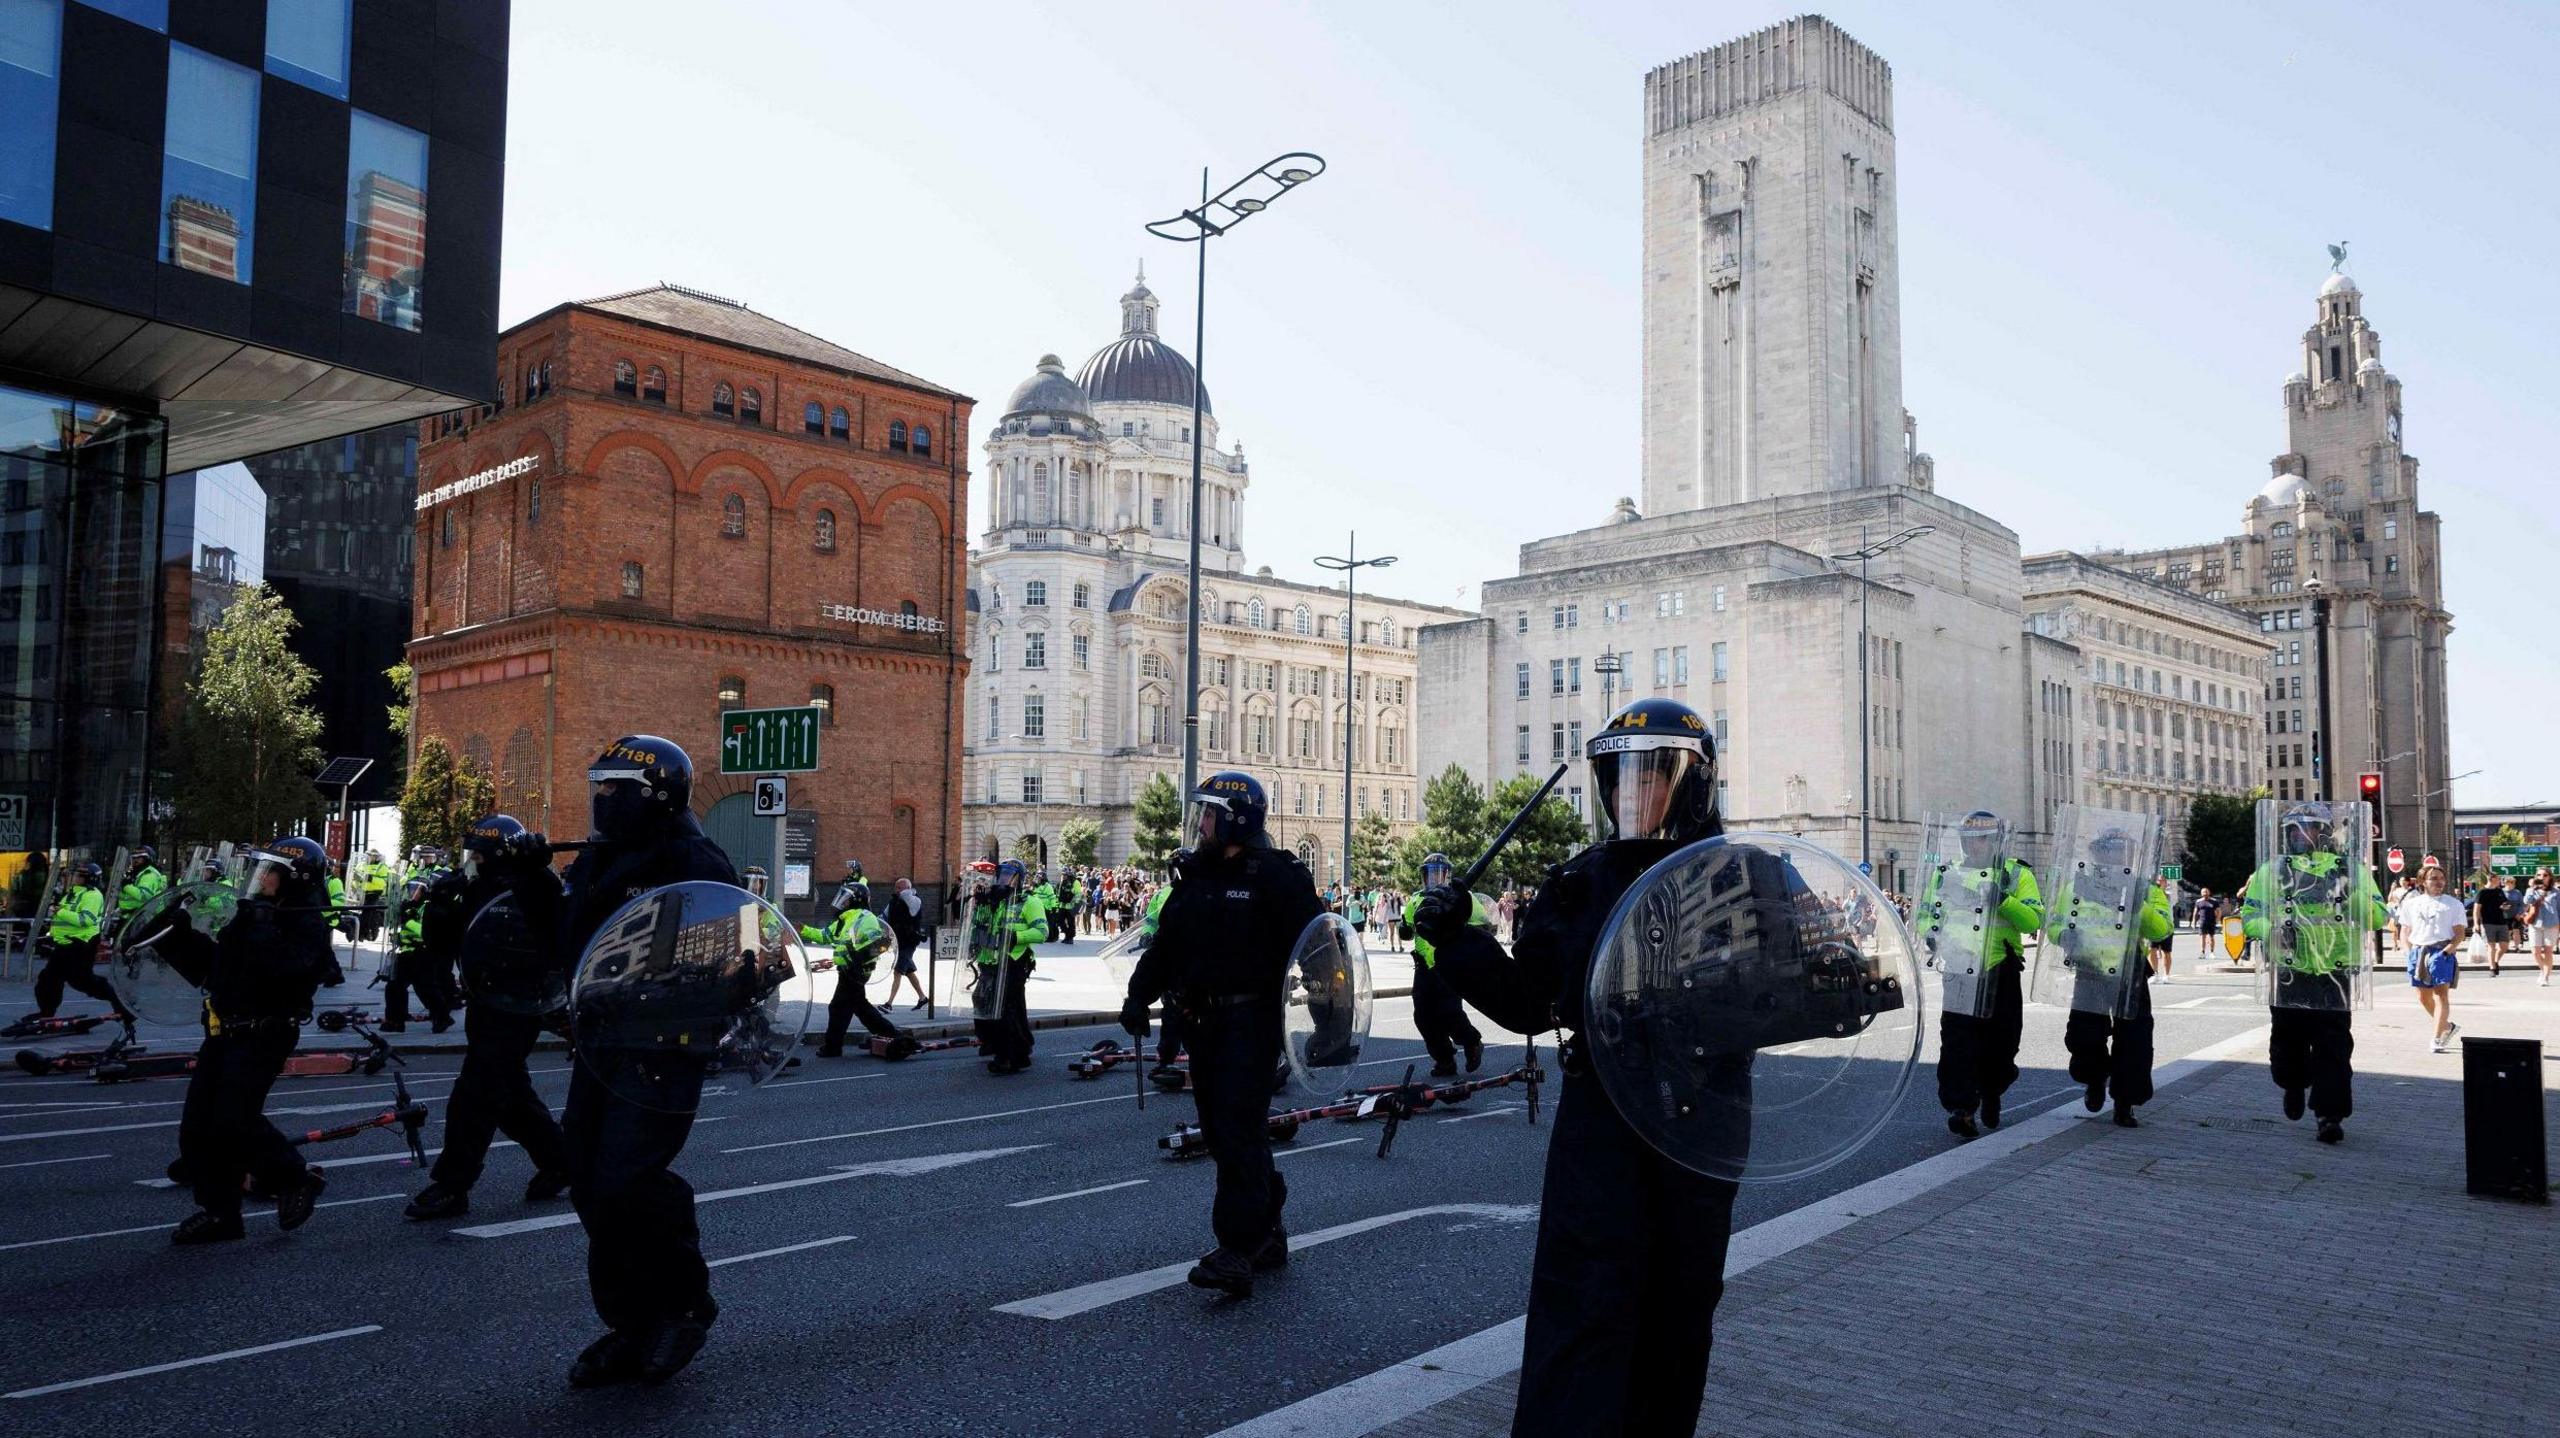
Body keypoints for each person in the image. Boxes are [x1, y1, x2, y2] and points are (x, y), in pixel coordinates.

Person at [1416, 697, 1736, 1434]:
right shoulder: (1579, 883)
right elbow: (1528, 1004)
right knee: (1582, 1296)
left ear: (1693, 784)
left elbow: (1814, 987)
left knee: (1680, 1306)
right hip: (1602, 1112)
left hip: (1702, 1118)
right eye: (1619, 775)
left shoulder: (1739, 875)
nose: (1634, 791)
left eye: (1654, 775)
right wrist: (1459, 940)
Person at [519, 735, 739, 1388]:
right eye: (601, 788)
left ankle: (684, 1304)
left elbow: (730, 958)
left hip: (663, 1051)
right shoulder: (597, 860)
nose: (603, 801)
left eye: (616, 790)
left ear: (657, 797)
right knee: (588, 1182)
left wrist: (677, 1000)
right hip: (602, 1043)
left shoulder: (694, 861)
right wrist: (528, 877)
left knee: (629, 1179)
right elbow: (563, 941)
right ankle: (631, 1321)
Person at [1120, 770, 1323, 1299]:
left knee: (1236, 1128)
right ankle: (1268, 1228)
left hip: (1252, 1022)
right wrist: (1138, 995)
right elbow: (1167, 945)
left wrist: (1330, 1025)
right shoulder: (1197, 877)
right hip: (1201, 1022)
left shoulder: (1278, 877)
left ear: (1235, 819)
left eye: (1208, 814)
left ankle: (1237, 1247)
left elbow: (1320, 948)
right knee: (1224, 1133)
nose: (1201, 824)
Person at [156, 838, 337, 1242]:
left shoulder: (306, 921)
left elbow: (290, 971)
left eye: (269, 870)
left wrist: (261, 926)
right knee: (199, 1125)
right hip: (224, 1029)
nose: (260, 877)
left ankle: (294, 1178)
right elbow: (217, 969)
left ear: (293, 877)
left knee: (233, 1121)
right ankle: (221, 1214)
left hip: (264, 1034)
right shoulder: (255, 913)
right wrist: (175, 936)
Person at [404, 814, 571, 1222]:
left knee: (475, 1096)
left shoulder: (533, 886)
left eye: (479, 854)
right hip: (486, 1002)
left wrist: (540, 872)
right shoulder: (479, 889)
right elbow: (443, 946)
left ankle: (452, 1185)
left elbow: (555, 927)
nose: (472, 861)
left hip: (517, 1006)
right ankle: (563, 1161)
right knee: (511, 1098)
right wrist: (441, 904)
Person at [2242, 804, 2388, 1144]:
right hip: (2290, 970)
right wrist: (2271, 929)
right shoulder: (2273, 870)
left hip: (2334, 974)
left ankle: (2329, 1115)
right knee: (2287, 1045)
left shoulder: (2348, 870)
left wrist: (2352, 896)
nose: (2298, 836)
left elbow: (2378, 917)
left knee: (2334, 1050)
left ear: (2323, 833)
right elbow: (2250, 915)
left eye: (2306, 828)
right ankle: (2293, 1084)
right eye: (2293, 830)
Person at [1918, 810, 2044, 1139]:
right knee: (1957, 1042)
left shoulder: (2016, 874)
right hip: (1959, 968)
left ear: (1996, 841)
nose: (1976, 846)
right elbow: (1927, 913)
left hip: (2000, 967)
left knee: (2002, 1043)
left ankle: (1992, 1091)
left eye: (1984, 839)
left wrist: (2002, 900)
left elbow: (2033, 921)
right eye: (1970, 840)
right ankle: (1963, 1109)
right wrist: (1930, 933)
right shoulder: (1945, 873)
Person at [2051, 827, 2173, 1127]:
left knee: (2135, 1041)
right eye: (2109, 850)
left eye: (2121, 851)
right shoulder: (2077, 886)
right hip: (2090, 969)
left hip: (2129, 971)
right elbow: (2054, 925)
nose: (2115, 856)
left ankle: (2125, 1102)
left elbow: (2162, 929)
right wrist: (2064, 934)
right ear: (2097, 854)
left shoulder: (2145, 888)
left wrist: (2136, 905)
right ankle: (2095, 1078)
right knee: (2084, 1037)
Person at [1400, 852, 1489, 1078]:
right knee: (1423, 1016)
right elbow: (1407, 927)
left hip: (1449, 963)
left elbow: (1481, 922)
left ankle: (1472, 1042)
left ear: (1448, 875)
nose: (1434, 879)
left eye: (1439, 874)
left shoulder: (1459, 896)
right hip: (1423, 968)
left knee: (1449, 1012)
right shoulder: (1416, 899)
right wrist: (1405, 930)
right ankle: (1444, 1060)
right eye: (1429, 874)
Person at [805, 886, 909, 1057]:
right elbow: (825, 936)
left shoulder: (865, 918)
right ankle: (892, 1035)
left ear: (856, 900)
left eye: (846, 898)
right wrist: (803, 930)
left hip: (856, 971)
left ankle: (833, 1047)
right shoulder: (844, 919)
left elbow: (879, 945)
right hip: (846, 969)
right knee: (857, 1007)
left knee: (840, 1007)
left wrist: (854, 958)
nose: (843, 901)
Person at [968, 860, 1045, 1074]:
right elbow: (980, 925)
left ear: (1019, 879)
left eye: (1009, 876)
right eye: (1001, 875)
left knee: (1007, 1010)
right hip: (989, 961)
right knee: (982, 1002)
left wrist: (1017, 937)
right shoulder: (994, 899)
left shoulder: (1029, 901)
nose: (1004, 880)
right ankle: (997, 1042)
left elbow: (1042, 932)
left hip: (1013, 961)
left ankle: (1009, 1057)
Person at [34, 860, 127, 1021]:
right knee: (49, 979)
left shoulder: (93, 895)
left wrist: (60, 912)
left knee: (83, 981)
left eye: (80, 876)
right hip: (65, 944)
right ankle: (46, 1013)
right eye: (76, 875)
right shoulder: (74, 892)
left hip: (81, 945)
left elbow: (85, 920)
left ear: (90, 879)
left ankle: (121, 1004)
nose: (76, 878)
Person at [2394, 862, 2466, 1054]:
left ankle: (2437, 1038)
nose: (2439, 882)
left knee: (2441, 994)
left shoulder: (2453, 904)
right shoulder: (2411, 904)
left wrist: (2446, 952)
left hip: (2441, 951)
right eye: (2433, 878)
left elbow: (2459, 934)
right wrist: (2408, 953)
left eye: (2441, 878)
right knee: (2423, 997)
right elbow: (2404, 931)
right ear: (2422, 881)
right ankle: (2447, 1026)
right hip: (2418, 951)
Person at [884, 877, 930, 1009]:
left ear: (909, 889)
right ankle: (922, 998)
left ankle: (889, 1004)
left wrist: (908, 891)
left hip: (909, 942)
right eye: (896, 887)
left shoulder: (915, 900)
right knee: (909, 971)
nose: (897, 890)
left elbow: (910, 902)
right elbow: (884, 917)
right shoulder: (893, 902)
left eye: (900, 888)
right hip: (897, 941)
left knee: (897, 971)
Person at [116, 847, 169, 930]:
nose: (135, 861)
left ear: (148, 859)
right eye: (134, 858)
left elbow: (144, 896)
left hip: (141, 919)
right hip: (133, 917)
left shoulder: (149, 875)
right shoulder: (140, 873)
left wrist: (126, 886)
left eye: (139, 858)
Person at [2471, 874, 2509, 978]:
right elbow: (2476, 909)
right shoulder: (2482, 892)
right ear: (2492, 879)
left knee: (2504, 946)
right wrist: (2476, 923)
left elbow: (2503, 903)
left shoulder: (2499, 891)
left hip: (2501, 921)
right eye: (2498, 879)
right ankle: (2492, 968)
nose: (2500, 881)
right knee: (2491, 946)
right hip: (2487, 922)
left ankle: (2495, 961)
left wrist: (2505, 907)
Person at [358, 849, 391, 940]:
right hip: (360, 893)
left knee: (368, 914)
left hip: (374, 894)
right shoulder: (361, 865)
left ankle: (366, 933)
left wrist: (371, 878)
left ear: (375, 857)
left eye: (370, 855)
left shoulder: (382, 867)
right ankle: (361, 933)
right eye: (367, 855)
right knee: (362, 914)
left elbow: (383, 882)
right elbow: (354, 877)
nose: (367, 857)